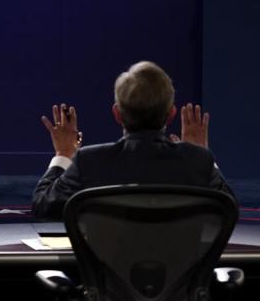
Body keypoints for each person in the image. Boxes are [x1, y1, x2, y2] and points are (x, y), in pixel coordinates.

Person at [31, 61, 234, 219]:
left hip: (107, 273)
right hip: (183, 273)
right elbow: (229, 208)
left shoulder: (89, 161)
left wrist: (64, 154)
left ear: (117, 114)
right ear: (171, 114)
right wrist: (199, 154)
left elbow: (43, 206)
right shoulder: (197, 161)